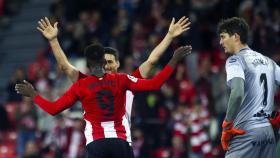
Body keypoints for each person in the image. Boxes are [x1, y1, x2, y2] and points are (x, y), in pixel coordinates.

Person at [15, 43, 192, 158]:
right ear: (103, 61)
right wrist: (174, 59)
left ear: (88, 64)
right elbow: (155, 84)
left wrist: (34, 95)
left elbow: (53, 109)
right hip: (120, 144)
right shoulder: (122, 79)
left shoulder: (81, 85)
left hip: (96, 145)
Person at [36, 16, 190, 145]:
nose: (107, 66)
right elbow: (65, 66)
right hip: (102, 142)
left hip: (122, 142)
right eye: (104, 62)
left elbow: (151, 61)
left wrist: (169, 36)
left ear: (118, 64)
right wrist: (54, 40)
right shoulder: (87, 82)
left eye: (110, 62)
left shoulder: (128, 80)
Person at [218, 17, 277, 158]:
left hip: (245, 132)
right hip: (268, 133)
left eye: (223, 37)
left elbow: (237, 93)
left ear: (236, 37)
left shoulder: (235, 60)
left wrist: (227, 125)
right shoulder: (268, 61)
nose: (220, 42)